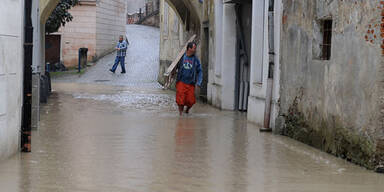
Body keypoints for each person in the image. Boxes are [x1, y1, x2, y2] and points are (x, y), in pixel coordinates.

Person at [176, 42, 203, 116]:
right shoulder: (181, 57)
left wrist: (199, 82)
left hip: (191, 83)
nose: (195, 50)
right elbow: (174, 66)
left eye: (195, 48)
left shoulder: (196, 60)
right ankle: (180, 114)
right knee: (180, 99)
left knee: (191, 101)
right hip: (181, 81)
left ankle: (187, 111)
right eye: (194, 48)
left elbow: (200, 71)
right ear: (189, 48)